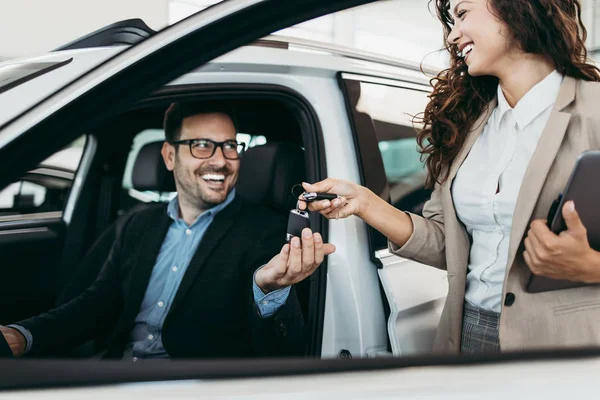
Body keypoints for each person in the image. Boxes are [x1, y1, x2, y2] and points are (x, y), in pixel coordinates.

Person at [302, 0, 600, 354]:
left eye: (462, 13)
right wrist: (364, 202)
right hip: (467, 332)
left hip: (567, 344)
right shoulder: (467, 123)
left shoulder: (593, 109)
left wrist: (591, 266)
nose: (454, 34)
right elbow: (451, 244)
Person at [0, 101, 334, 360]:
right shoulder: (137, 222)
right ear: (169, 155)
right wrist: (24, 335)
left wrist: (269, 292)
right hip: (114, 374)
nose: (221, 160)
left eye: (230, 146)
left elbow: (282, 349)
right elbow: (98, 303)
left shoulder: (268, 234)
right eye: (202, 145)